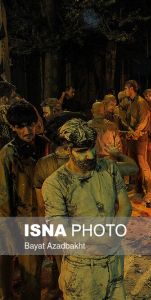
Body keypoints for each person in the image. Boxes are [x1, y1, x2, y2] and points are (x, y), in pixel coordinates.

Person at [42, 118, 131, 300]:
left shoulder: (109, 168)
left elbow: (125, 205)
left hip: (113, 260)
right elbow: (59, 228)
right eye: (82, 151)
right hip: (82, 266)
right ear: (68, 150)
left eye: (92, 148)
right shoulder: (56, 184)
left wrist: (114, 234)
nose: (90, 155)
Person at [0, 101, 46, 300]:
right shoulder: (8, 155)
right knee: (31, 276)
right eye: (21, 126)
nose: (28, 130)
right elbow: (4, 196)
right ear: (13, 128)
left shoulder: (45, 145)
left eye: (31, 124)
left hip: (48, 217)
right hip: (24, 220)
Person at [124, 80, 151, 198]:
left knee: (143, 163)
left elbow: (144, 120)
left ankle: (149, 189)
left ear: (131, 88)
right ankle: (139, 189)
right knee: (135, 164)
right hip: (133, 138)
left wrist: (136, 132)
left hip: (140, 138)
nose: (125, 91)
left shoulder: (141, 102)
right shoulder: (131, 102)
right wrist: (129, 133)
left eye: (126, 89)